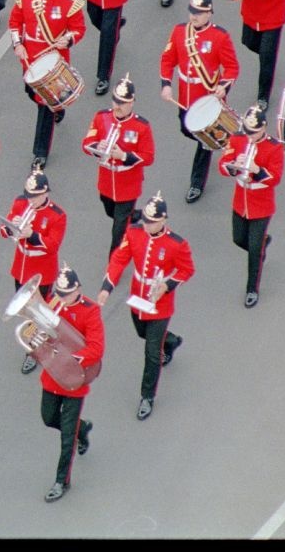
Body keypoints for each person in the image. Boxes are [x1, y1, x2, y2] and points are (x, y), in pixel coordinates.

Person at [99, 193, 193, 419]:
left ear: (163, 220)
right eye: (146, 221)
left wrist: (167, 285)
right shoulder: (133, 233)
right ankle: (170, 341)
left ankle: (147, 396)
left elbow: (187, 270)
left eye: (152, 222)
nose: (147, 225)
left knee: (151, 353)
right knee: (143, 333)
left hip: (160, 303)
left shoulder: (177, 244)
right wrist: (107, 286)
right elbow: (119, 259)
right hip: (138, 296)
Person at [8, 0, 86, 169]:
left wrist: (68, 39)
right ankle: (58, 107)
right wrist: (17, 44)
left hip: (53, 60)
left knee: (44, 105)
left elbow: (78, 29)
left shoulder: (68, 3)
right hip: (29, 58)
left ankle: (40, 153)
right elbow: (15, 23)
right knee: (31, 93)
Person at [159, 0, 240, 203]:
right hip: (185, 96)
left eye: (199, 12)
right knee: (186, 129)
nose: (194, 16)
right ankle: (217, 141)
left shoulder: (219, 37)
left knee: (202, 141)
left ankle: (197, 183)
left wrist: (223, 86)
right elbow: (168, 60)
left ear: (209, 13)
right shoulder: (179, 32)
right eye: (192, 11)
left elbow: (232, 68)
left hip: (207, 98)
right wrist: (166, 84)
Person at [33, 267, 104, 501]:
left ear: (78, 290)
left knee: (66, 440)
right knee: (48, 417)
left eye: (66, 294)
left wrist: (73, 360)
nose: (61, 298)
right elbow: (42, 333)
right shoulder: (53, 304)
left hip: (75, 381)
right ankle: (80, 429)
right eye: (59, 293)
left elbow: (96, 348)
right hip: (53, 377)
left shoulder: (90, 311)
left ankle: (61, 481)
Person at [2, 171, 67, 374]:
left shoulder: (57, 215)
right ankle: (34, 341)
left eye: (35, 195)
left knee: (38, 312)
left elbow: (52, 245)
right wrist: (12, 229)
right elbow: (5, 227)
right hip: (21, 266)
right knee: (25, 310)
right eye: (29, 195)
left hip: (41, 270)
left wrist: (32, 235)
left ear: (45, 193)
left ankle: (35, 350)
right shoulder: (21, 203)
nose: (31, 199)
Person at [217, 104, 282, 306]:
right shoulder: (238, 139)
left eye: (253, 132)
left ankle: (252, 288)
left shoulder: (274, 147)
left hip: (261, 204)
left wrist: (256, 169)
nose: (249, 135)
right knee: (238, 239)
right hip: (240, 200)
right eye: (247, 131)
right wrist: (234, 166)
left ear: (263, 128)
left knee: (254, 251)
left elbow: (275, 178)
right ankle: (262, 243)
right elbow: (222, 164)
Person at [82, 73, 154, 253]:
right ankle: (134, 215)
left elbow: (148, 156)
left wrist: (124, 156)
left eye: (122, 102)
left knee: (118, 230)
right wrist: (98, 145)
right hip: (106, 182)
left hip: (128, 185)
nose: (117, 106)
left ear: (131, 102)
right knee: (110, 212)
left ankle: (113, 264)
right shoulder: (101, 117)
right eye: (115, 101)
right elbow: (86, 144)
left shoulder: (141, 127)